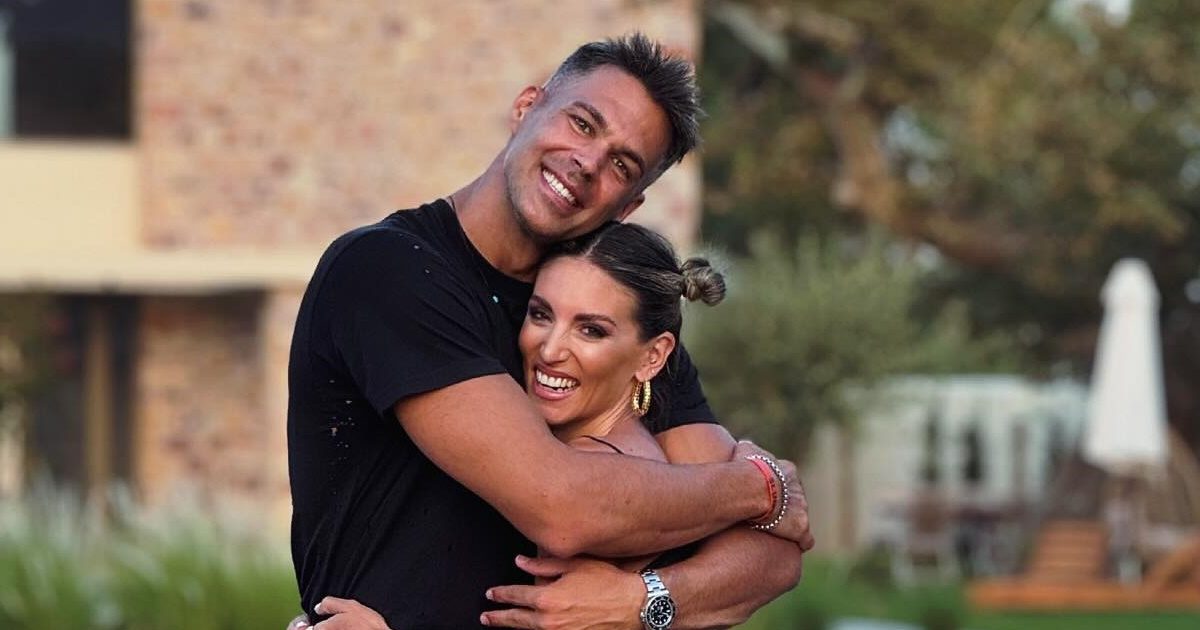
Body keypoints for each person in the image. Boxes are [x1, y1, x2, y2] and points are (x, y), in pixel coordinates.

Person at [287, 34, 812, 629]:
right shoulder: (389, 271)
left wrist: (641, 602)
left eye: (621, 165)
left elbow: (773, 556)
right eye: (582, 123)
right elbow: (559, 507)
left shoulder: (615, 316)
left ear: (629, 207)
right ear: (526, 106)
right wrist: (760, 488)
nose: (587, 162)